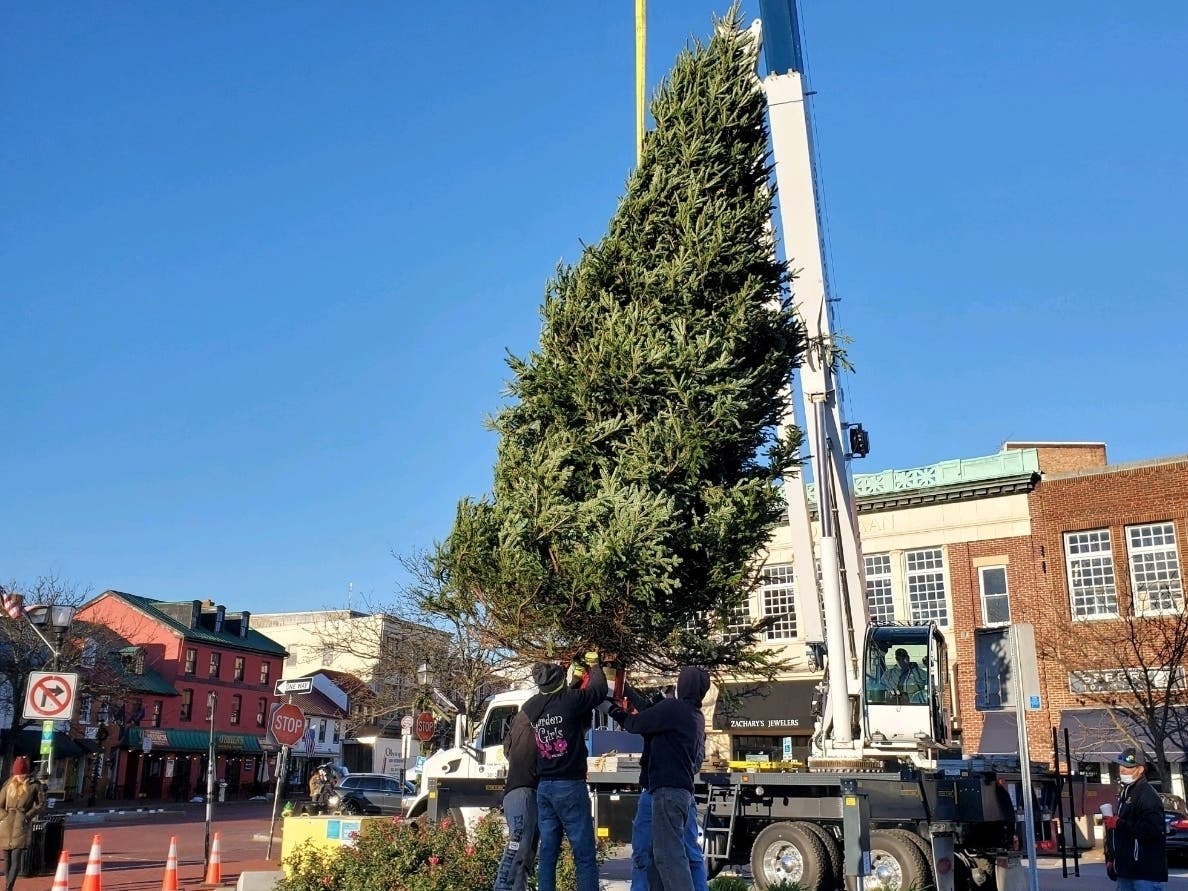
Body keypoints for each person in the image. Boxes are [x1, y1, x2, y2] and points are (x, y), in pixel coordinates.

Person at [610, 666, 711, 891]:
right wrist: (626, 689)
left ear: (682, 685)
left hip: (666, 790)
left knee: (668, 855)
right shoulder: (694, 716)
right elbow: (648, 715)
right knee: (663, 855)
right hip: (677, 791)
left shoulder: (672, 709)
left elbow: (636, 724)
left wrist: (612, 709)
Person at [523, 653, 607, 891]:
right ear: (560, 682)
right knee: (584, 854)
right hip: (569, 785)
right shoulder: (570, 701)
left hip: (544, 788)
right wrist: (594, 664)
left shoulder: (532, 707)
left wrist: (575, 677)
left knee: (548, 854)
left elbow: (559, 701)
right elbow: (598, 691)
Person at [1104, 747, 1167, 891]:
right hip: (1125, 870)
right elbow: (1118, 834)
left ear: (1140, 769)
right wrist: (1112, 858)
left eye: (1128, 767)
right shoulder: (1126, 792)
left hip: (1145, 873)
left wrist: (1119, 823)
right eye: (1121, 765)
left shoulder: (1147, 795)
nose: (1122, 770)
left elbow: (1154, 829)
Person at [493, 709, 539, 891]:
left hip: (520, 789)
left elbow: (507, 750)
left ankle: (512, 887)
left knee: (525, 851)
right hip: (524, 790)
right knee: (519, 847)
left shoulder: (521, 720)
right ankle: (503, 887)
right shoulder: (535, 717)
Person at [0, 757, 46, 891]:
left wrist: (27, 816)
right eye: (17, 775)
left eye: (22, 775)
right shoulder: (8, 785)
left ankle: (9, 888)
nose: (19, 777)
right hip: (7, 825)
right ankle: (7, 884)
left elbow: (41, 804)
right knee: (7, 859)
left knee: (16, 859)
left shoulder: (34, 785)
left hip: (21, 824)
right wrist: (4, 816)